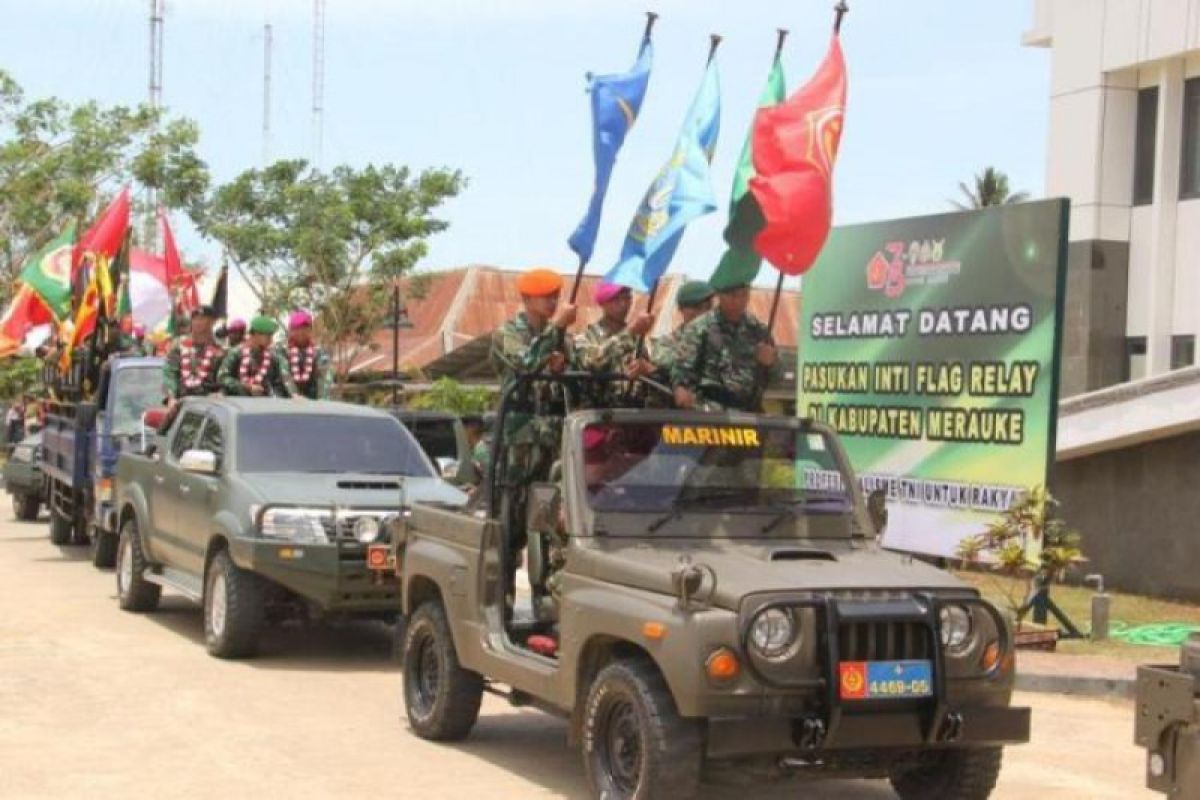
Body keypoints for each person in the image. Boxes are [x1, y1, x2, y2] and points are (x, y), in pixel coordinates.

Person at [489, 268, 576, 597]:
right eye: (546, 297)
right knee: (508, 529)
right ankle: (503, 604)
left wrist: (562, 362)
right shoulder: (507, 333)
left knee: (548, 528)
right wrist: (556, 331)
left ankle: (545, 603)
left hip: (550, 444)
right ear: (527, 299)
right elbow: (524, 364)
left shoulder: (562, 340)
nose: (553, 302)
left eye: (556, 296)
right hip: (518, 445)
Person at [670, 280, 781, 412]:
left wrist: (771, 363)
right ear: (720, 296)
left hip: (749, 415)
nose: (738, 301)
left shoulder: (759, 331)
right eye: (733, 296)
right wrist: (681, 388)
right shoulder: (699, 328)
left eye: (744, 295)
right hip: (709, 413)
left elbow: (778, 378)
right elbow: (682, 369)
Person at [573, 282, 655, 408]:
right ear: (603, 303)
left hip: (635, 417)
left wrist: (647, 369)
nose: (623, 305)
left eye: (627, 298)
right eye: (616, 300)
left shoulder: (639, 339)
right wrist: (629, 332)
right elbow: (592, 363)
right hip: (599, 416)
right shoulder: (585, 337)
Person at [163, 306, 226, 408]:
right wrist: (171, 397)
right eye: (195, 318)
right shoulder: (179, 348)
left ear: (212, 322)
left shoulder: (220, 351)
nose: (198, 322)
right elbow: (170, 373)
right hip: (181, 406)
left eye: (202, 319)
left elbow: (225, 378)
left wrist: (222, 392)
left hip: (211, 406)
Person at [651, 280, 714, 375]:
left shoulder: (721, 339)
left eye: (708, 308)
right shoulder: (667, 343)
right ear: (681, 309)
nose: (703, 313)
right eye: (697, 307)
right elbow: (666, 363)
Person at [218, 316, 289, 397]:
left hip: (265, 403)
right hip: (238, 402)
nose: (271, 340)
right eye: (268, 336)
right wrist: (248, 387)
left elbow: (285, 376)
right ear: (256, 334)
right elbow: (222, 377)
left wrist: (294, 395)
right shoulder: (236, 353)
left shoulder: (273, 355)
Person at [279, 310, 332, 400]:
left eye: (304, 328)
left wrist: (322, 402)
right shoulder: (281, 351)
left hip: (314, 405)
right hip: (286, 404)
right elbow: (285, 376)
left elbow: (324, 379)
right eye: (296, 328)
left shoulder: (321, 353)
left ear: (310, 329)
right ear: (290, 330)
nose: (300, 332)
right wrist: (295, 395)